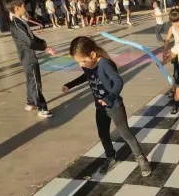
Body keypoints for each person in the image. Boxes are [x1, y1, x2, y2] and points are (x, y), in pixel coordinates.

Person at [62, 37, 151, 175]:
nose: (81, 65)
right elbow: (85, 76)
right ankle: (111, 157)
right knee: (103, 134)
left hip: (114, 106)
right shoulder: (88, 65)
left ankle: (141, 158)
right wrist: (70, 85)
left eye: (83, 61)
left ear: (92, 54)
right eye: (78, 62)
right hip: (100, 107)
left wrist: (109, 97)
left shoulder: (104, 64)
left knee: (125, 133)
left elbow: (118, 82)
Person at [6, 0, 55, 117]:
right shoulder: (16, 24)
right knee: (35, 82)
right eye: (23, 5)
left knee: (30, 80)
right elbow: (30, 42)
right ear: (17, 8)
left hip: (28, 56)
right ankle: (42, 108)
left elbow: (32, 37)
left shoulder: (21, 22)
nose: (25, 7)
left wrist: (43, 43)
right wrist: (44, 48)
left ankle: (30, 103)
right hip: (28, 57)